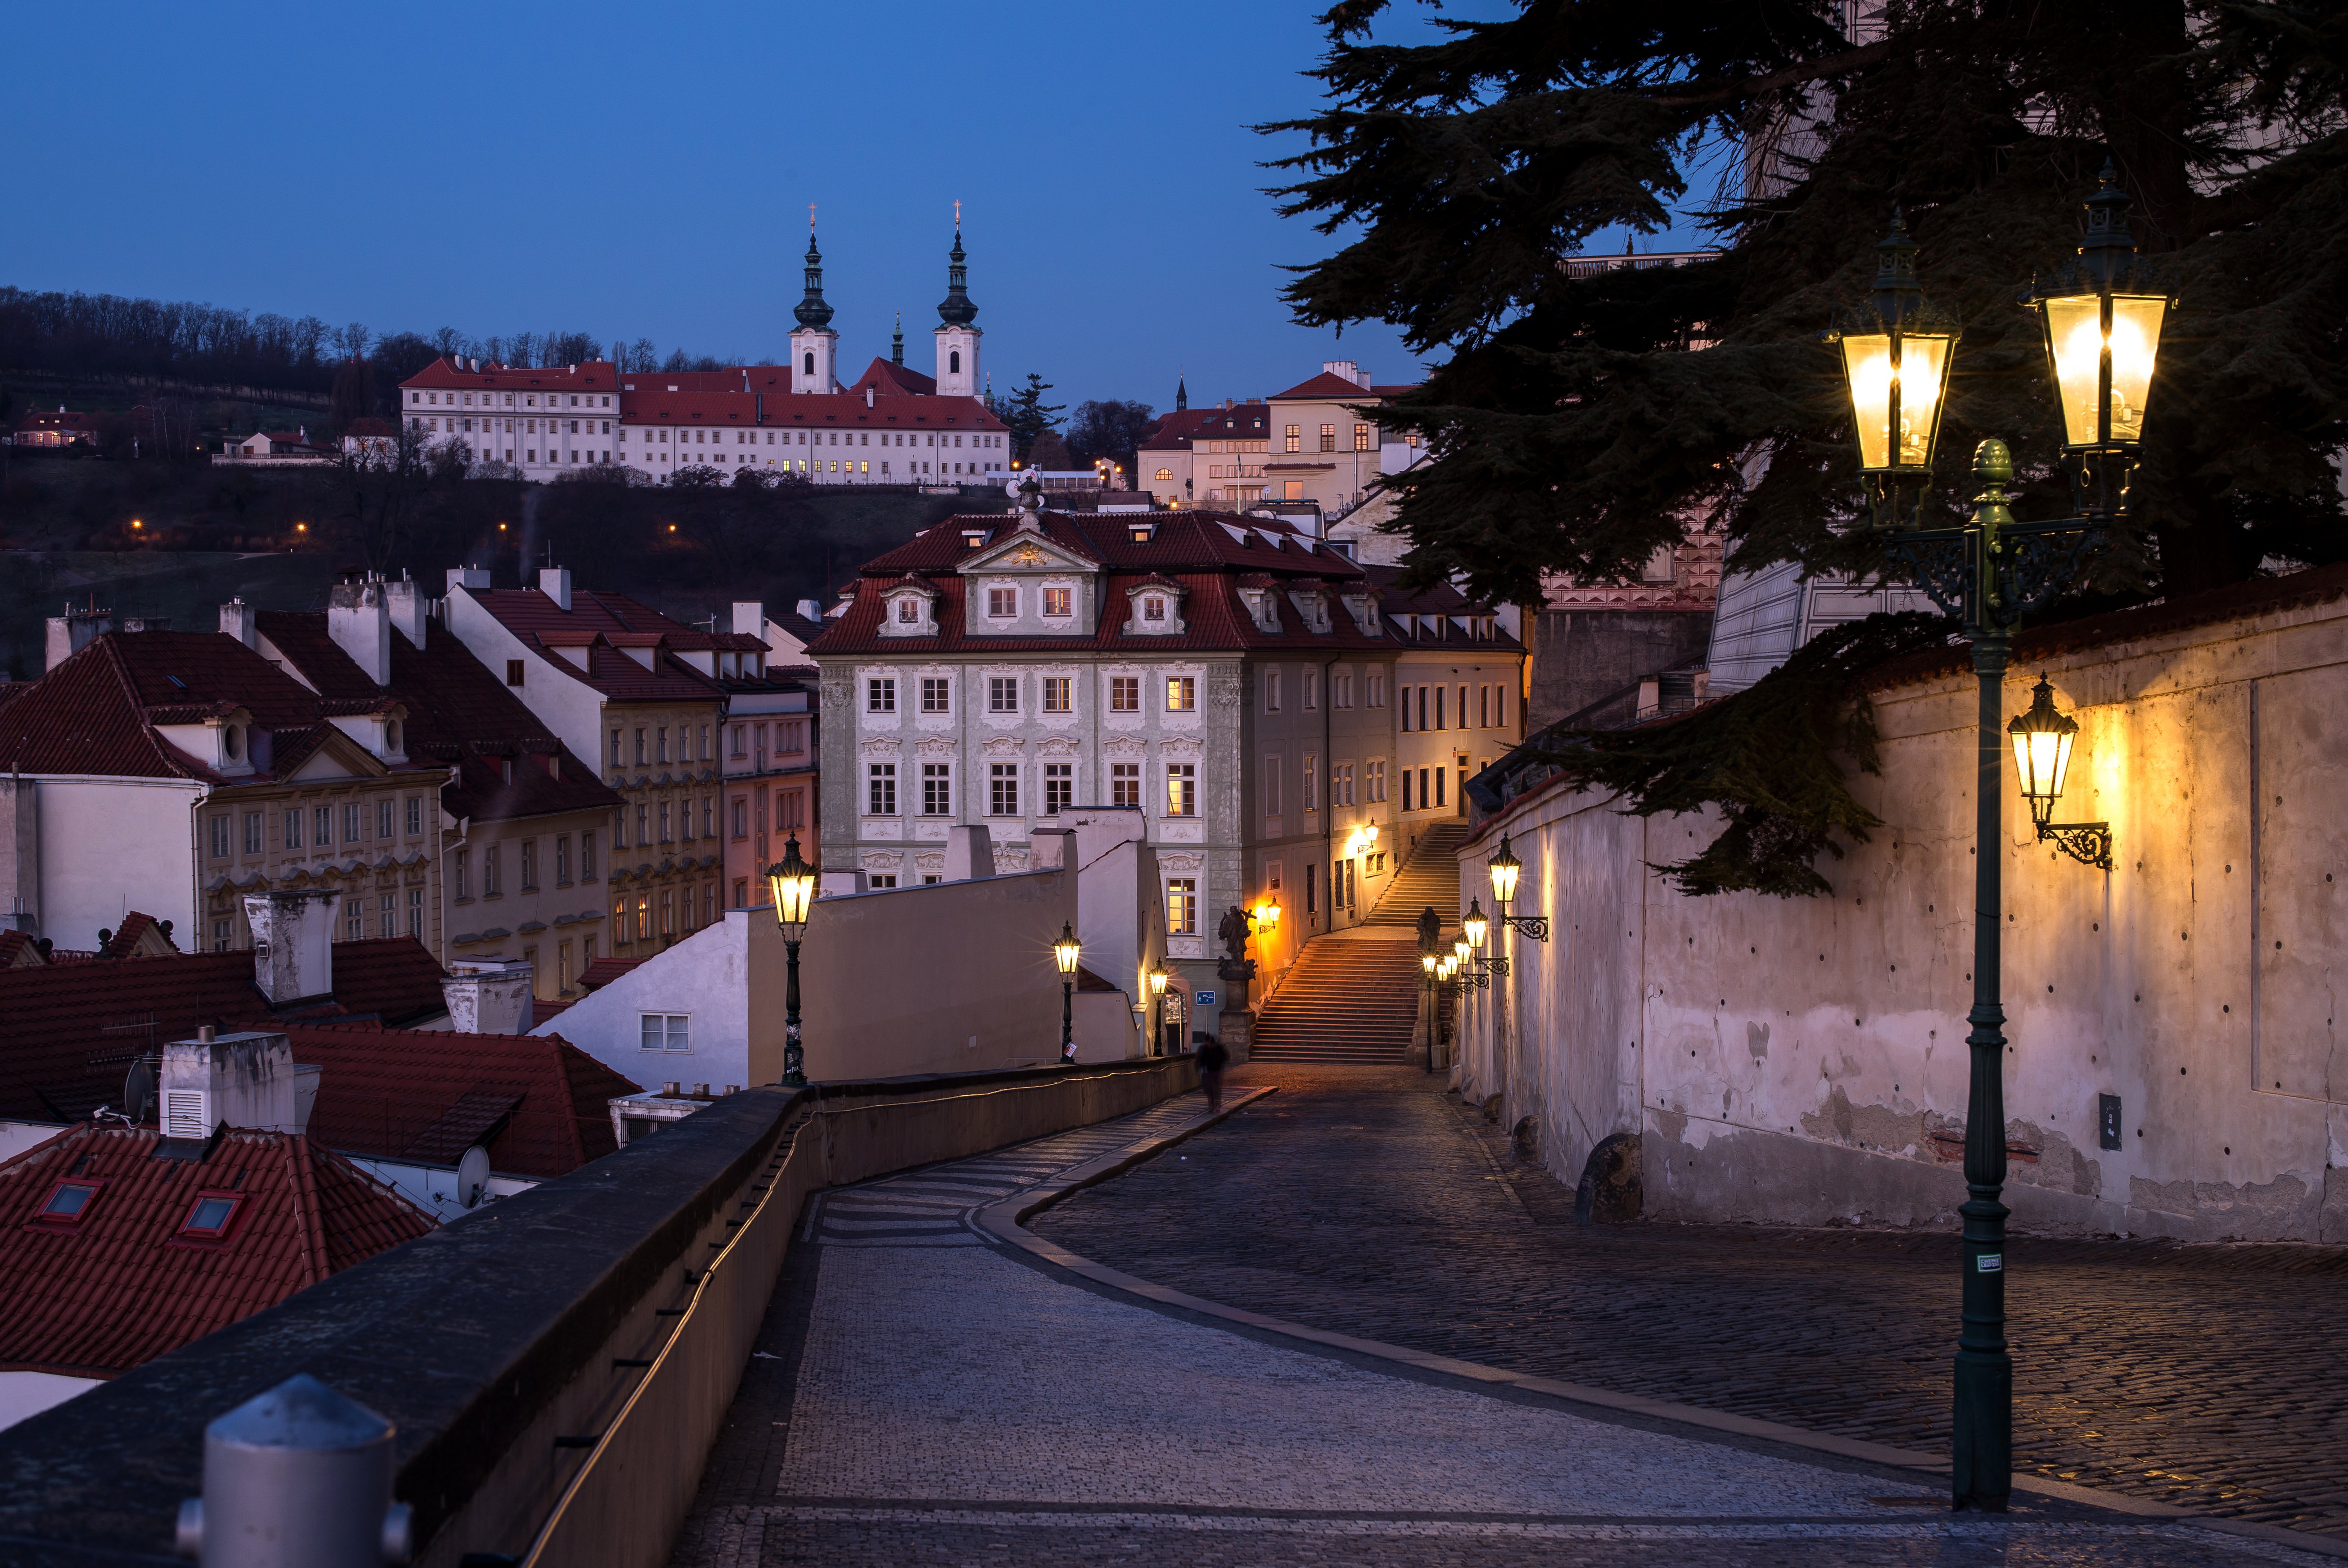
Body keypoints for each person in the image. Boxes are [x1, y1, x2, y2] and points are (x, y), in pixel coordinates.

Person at [1196, 1034, 1230, 1114]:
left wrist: (1219, 1064)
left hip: (1216, 1071)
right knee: (1210, 1089)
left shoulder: (1218, 1048)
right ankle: (1212, 1106)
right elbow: (1201, 1059)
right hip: (1208, 1071)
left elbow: (1225, 1057)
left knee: (1216, 1089)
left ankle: (1217, 1105)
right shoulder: (1205, 1048)